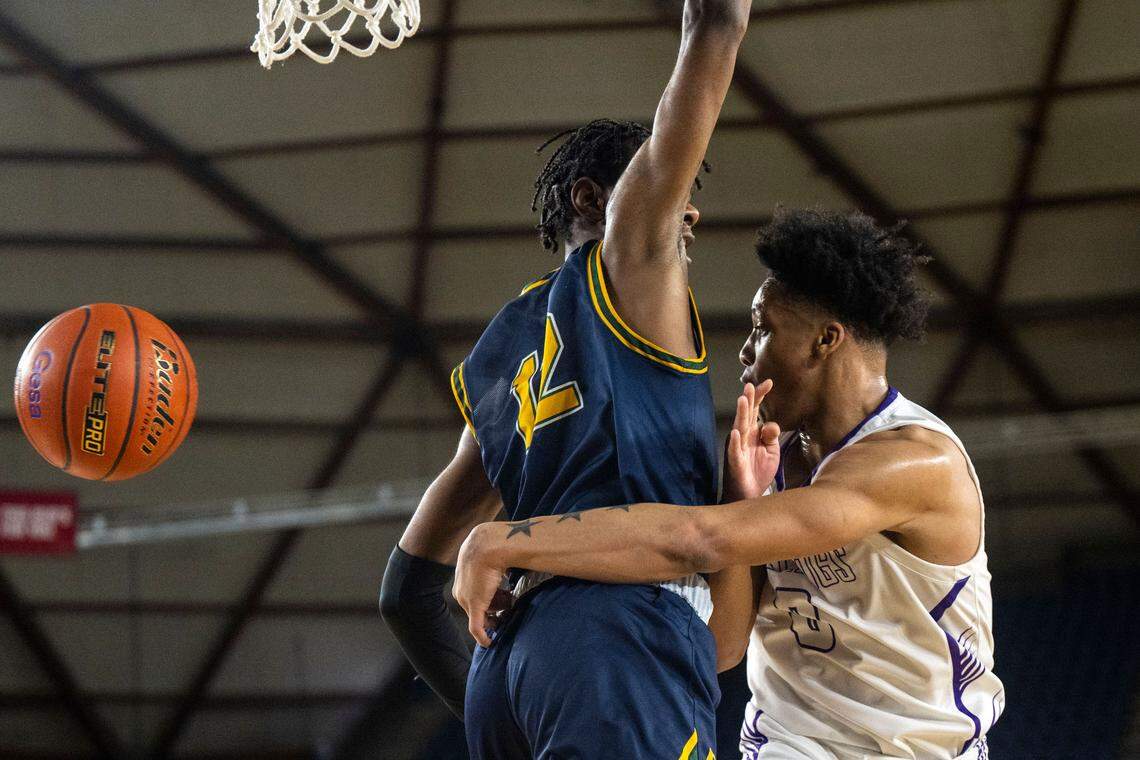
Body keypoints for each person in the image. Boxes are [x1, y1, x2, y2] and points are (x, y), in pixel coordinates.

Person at [455, 208, 1005, 760]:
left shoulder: (913, 461)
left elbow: (698, 539)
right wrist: (742, 499)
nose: (745, 350)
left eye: (763, 328)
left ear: (825, 340)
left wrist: (503, 540)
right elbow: (724, 646)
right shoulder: (776, 463)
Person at [381, 2, 753, 757]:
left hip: (514, 668)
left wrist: (499, 697)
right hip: (616, 635)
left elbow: (406, 592)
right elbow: (714, 28)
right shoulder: (631, 263)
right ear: (593, 199)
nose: (691, 215)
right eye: (678, 198)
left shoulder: (501, 356)